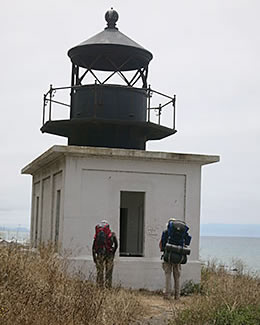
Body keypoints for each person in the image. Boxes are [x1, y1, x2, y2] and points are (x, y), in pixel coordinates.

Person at [159, 218, 191, 300]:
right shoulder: (182, 233)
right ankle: (177, 296)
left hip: (168, 256)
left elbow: (162, 244)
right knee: (177, 277)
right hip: (178, 257)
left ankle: (167, 295)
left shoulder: (166, 233)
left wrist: (164, 250)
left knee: (168, 275)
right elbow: (187, 242)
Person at [92, 220, 118, 288]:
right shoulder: (112, 234)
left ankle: (99, 287)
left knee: (100, 273)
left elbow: (93, 247)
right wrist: (113, 252)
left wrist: (94, 258)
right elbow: (116, 245)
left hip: (100, 255)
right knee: (108, 272)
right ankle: (108, 288)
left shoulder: (97, 235)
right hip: (109, 254)